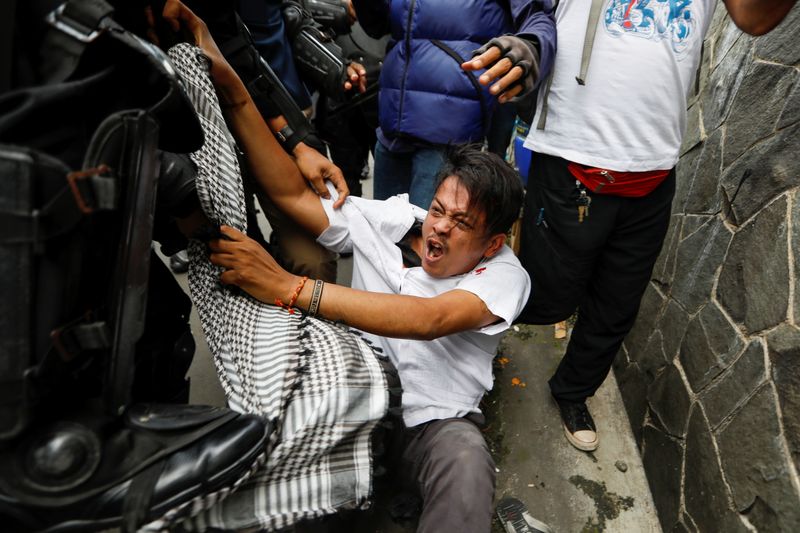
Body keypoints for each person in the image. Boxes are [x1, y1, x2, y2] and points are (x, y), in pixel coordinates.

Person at [161, 3, 530, 529]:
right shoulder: (398, 220)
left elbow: (430, 321)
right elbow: (291, 194)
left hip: (432, 424)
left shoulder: (506, 276)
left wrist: (290, 288)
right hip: (359, 404)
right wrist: (237, 92)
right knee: (282, 461)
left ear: (492, 243)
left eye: (460, 224)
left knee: (467, 464)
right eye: (439, 210)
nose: (439, 228)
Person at [513, 0, 796, 453]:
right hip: (572, 160)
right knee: (543, 292)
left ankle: (572, 391)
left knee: (615, 306)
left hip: (654, 172)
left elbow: (754, 17)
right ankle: (471, 352)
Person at [353, 0, 556, 209]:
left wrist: (530, 46)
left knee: (428, 237)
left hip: (449, 135)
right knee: (383, 235)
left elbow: (538, 18)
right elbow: (379, 26)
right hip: (392, 128)